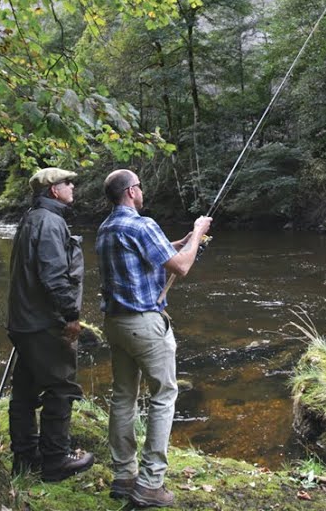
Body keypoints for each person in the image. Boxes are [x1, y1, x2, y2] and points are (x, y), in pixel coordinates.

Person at [97, 169, 212, 507]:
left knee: (123, 397)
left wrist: (187, 239)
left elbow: (157, 253)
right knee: (163, 396)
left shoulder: (105, 229)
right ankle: (150, 483)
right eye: (140, 187)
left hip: (116, 324)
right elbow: (181, 267)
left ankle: (124, 476)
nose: (142, 191)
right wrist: (198, 233)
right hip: (145, 325)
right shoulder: (142, 225)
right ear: (132, 191)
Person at [5, 167, 95, 480]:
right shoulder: (49, 221)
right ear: (54, 190)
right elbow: (54, 276)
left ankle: (26, 458)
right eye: (68, 183)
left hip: (24, 322)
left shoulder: (31, 219)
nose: (73, 187)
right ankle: (57, 461)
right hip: (43, 324)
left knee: (25, 393)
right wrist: (71, 317)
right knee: (61, 388)